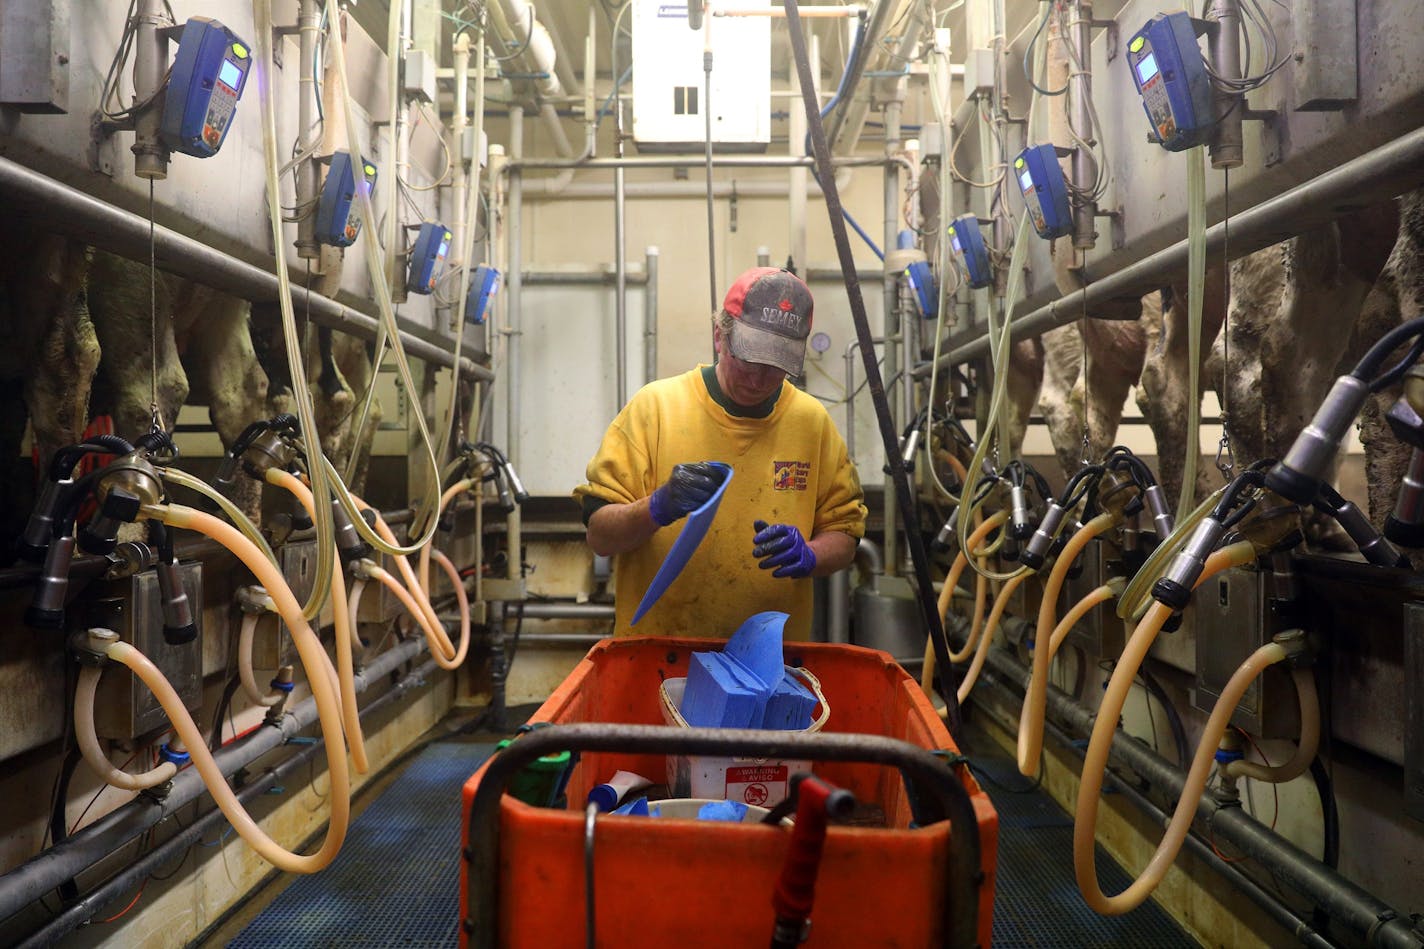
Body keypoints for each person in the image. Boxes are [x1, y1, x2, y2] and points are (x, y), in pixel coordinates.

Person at [574, 266, 866, 640]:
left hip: (770, 662)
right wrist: (657, 506)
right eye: (749, 359)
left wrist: (810, 555)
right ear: (719, 336)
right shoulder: (657, 408)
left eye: (775, 365)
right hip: (660, 652)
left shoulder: (812, 422)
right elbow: (600, 536)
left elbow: (844, 535)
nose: (759, 379)